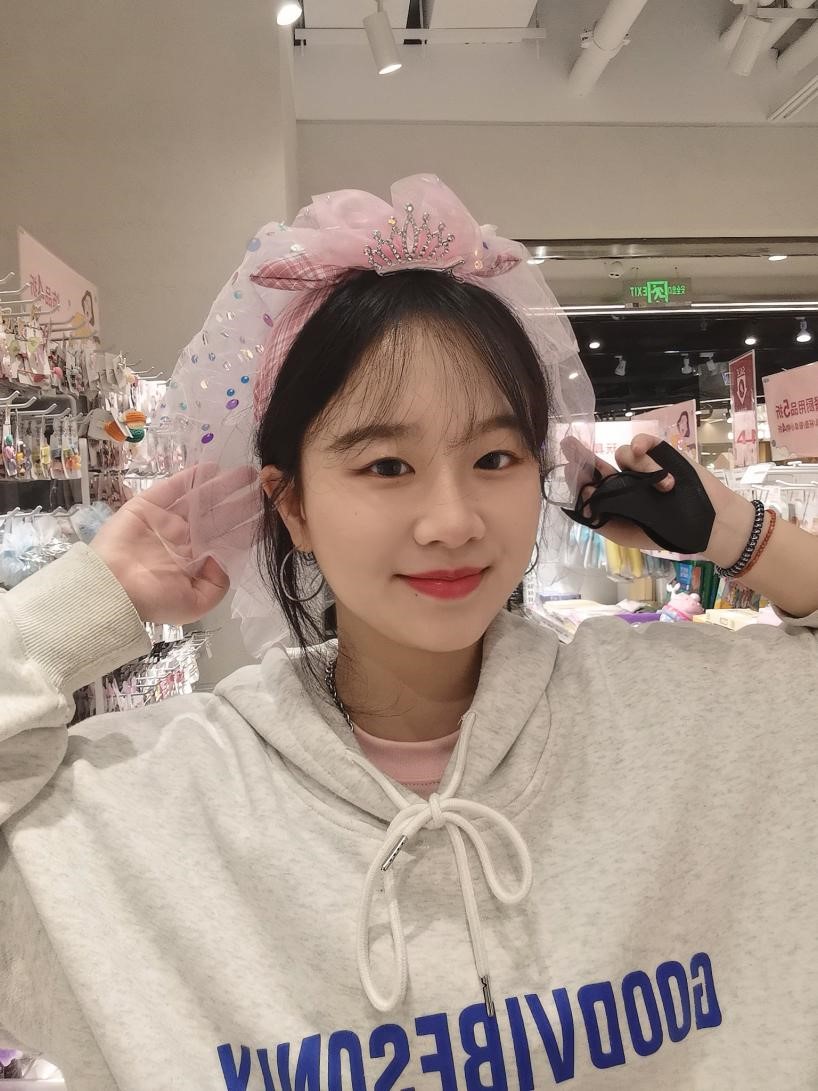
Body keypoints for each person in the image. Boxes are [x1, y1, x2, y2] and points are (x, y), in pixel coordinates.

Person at [2, 177, 818, 1090]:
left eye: (495, 457)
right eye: (387, 465)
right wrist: (81, 605)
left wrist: (740, 534)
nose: (452, 520)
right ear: (292, 503)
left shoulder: (675, 720)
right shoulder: (156, 807)